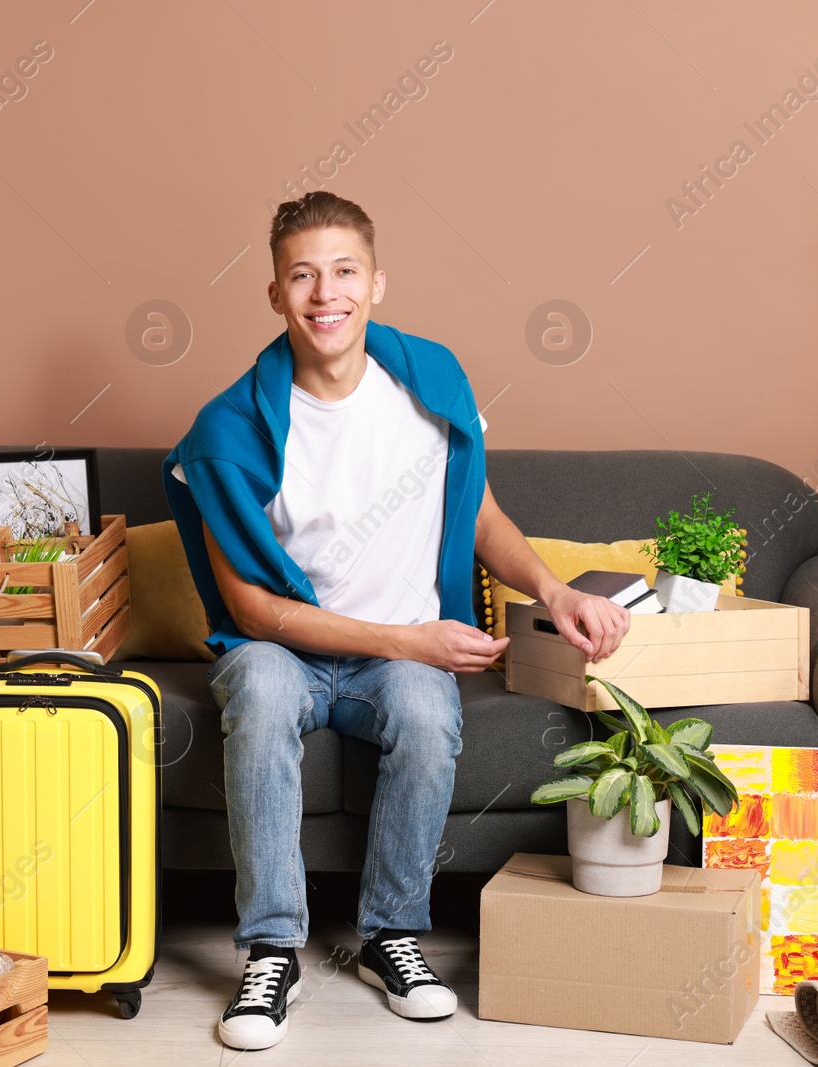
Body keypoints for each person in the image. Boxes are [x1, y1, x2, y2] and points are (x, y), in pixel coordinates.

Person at [163, 191, 630, 1051]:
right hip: (282, 648)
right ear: (274, 294)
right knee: (260, 697)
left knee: (423, 710)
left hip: (401, 657)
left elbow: (479, 514)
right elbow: (253, 607)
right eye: (301, 275)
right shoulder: (226, 429)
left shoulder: (433, 381)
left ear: (378, 282)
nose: (324, 293)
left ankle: (391, 935)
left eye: (343, 271)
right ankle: (270, 949)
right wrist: (406, 639)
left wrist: (555, 591)